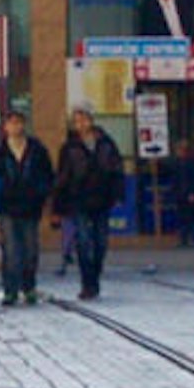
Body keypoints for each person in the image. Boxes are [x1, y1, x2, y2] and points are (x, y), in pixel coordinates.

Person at [0, 104, 56, 305]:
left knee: (31, 249)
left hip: (31, 207)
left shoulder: (36, 150)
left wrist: (41, 195)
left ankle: (29, 286)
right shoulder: (1, 153)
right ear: (5, 127)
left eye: (18, 122)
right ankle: (10, 290)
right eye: (11, 123)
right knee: (12, 250)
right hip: (8, 207)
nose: (15, 127)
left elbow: (47, 176)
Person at [52, 106, 123, 301]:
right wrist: (58, 207)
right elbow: (62, 177)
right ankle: (87, 284)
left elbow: (117, 170)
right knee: (83, 242)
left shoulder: (106, 144)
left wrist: (118, 195)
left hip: (102, 200)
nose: (81, 124)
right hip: (79, 201)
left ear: (91, 121)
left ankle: (95, 277)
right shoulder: (69, 148)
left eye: (84, 120)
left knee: (100, 243)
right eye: (77, 121)